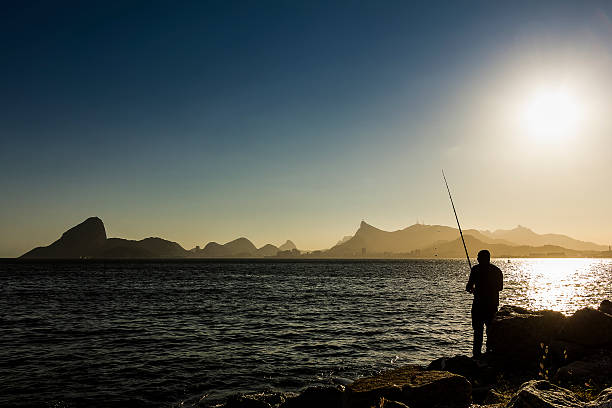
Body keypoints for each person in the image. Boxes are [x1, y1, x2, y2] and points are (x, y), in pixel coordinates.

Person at [465, 249, 503, 358]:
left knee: (478, 332)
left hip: (478, 306)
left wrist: (474, 289)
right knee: (490, 331)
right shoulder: (497, 271)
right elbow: (500, 287)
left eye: (478, 257)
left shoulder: (475, 270)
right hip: (492, 306)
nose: (477, 259)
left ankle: (477, 355)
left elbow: (468, 287)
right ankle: (490, 354)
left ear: (483, 258)